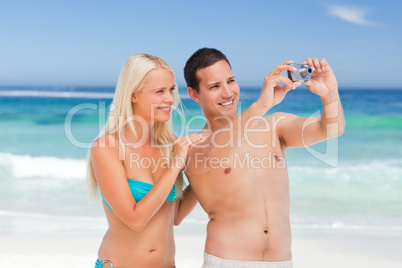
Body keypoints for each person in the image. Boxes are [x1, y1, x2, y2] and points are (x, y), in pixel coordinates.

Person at [183, 48, 345, 268]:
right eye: (214, 86)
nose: (227, 92)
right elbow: (215, 153)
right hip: (226, 262)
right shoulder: (193, 146)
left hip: (282, 262)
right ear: (194, 94)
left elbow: (331, 129)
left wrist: (329, 93)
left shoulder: (273, 126)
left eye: (230, 81)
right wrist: (260, 106)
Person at [87, 54, 202, 268]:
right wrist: (176, 164)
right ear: (133, 95)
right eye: (160, 91)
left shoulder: (170, 145)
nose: (170, 99)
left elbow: (174, 216)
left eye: (171, 90)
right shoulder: (107, 148)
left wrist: (201, 173)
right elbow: (135, 220)